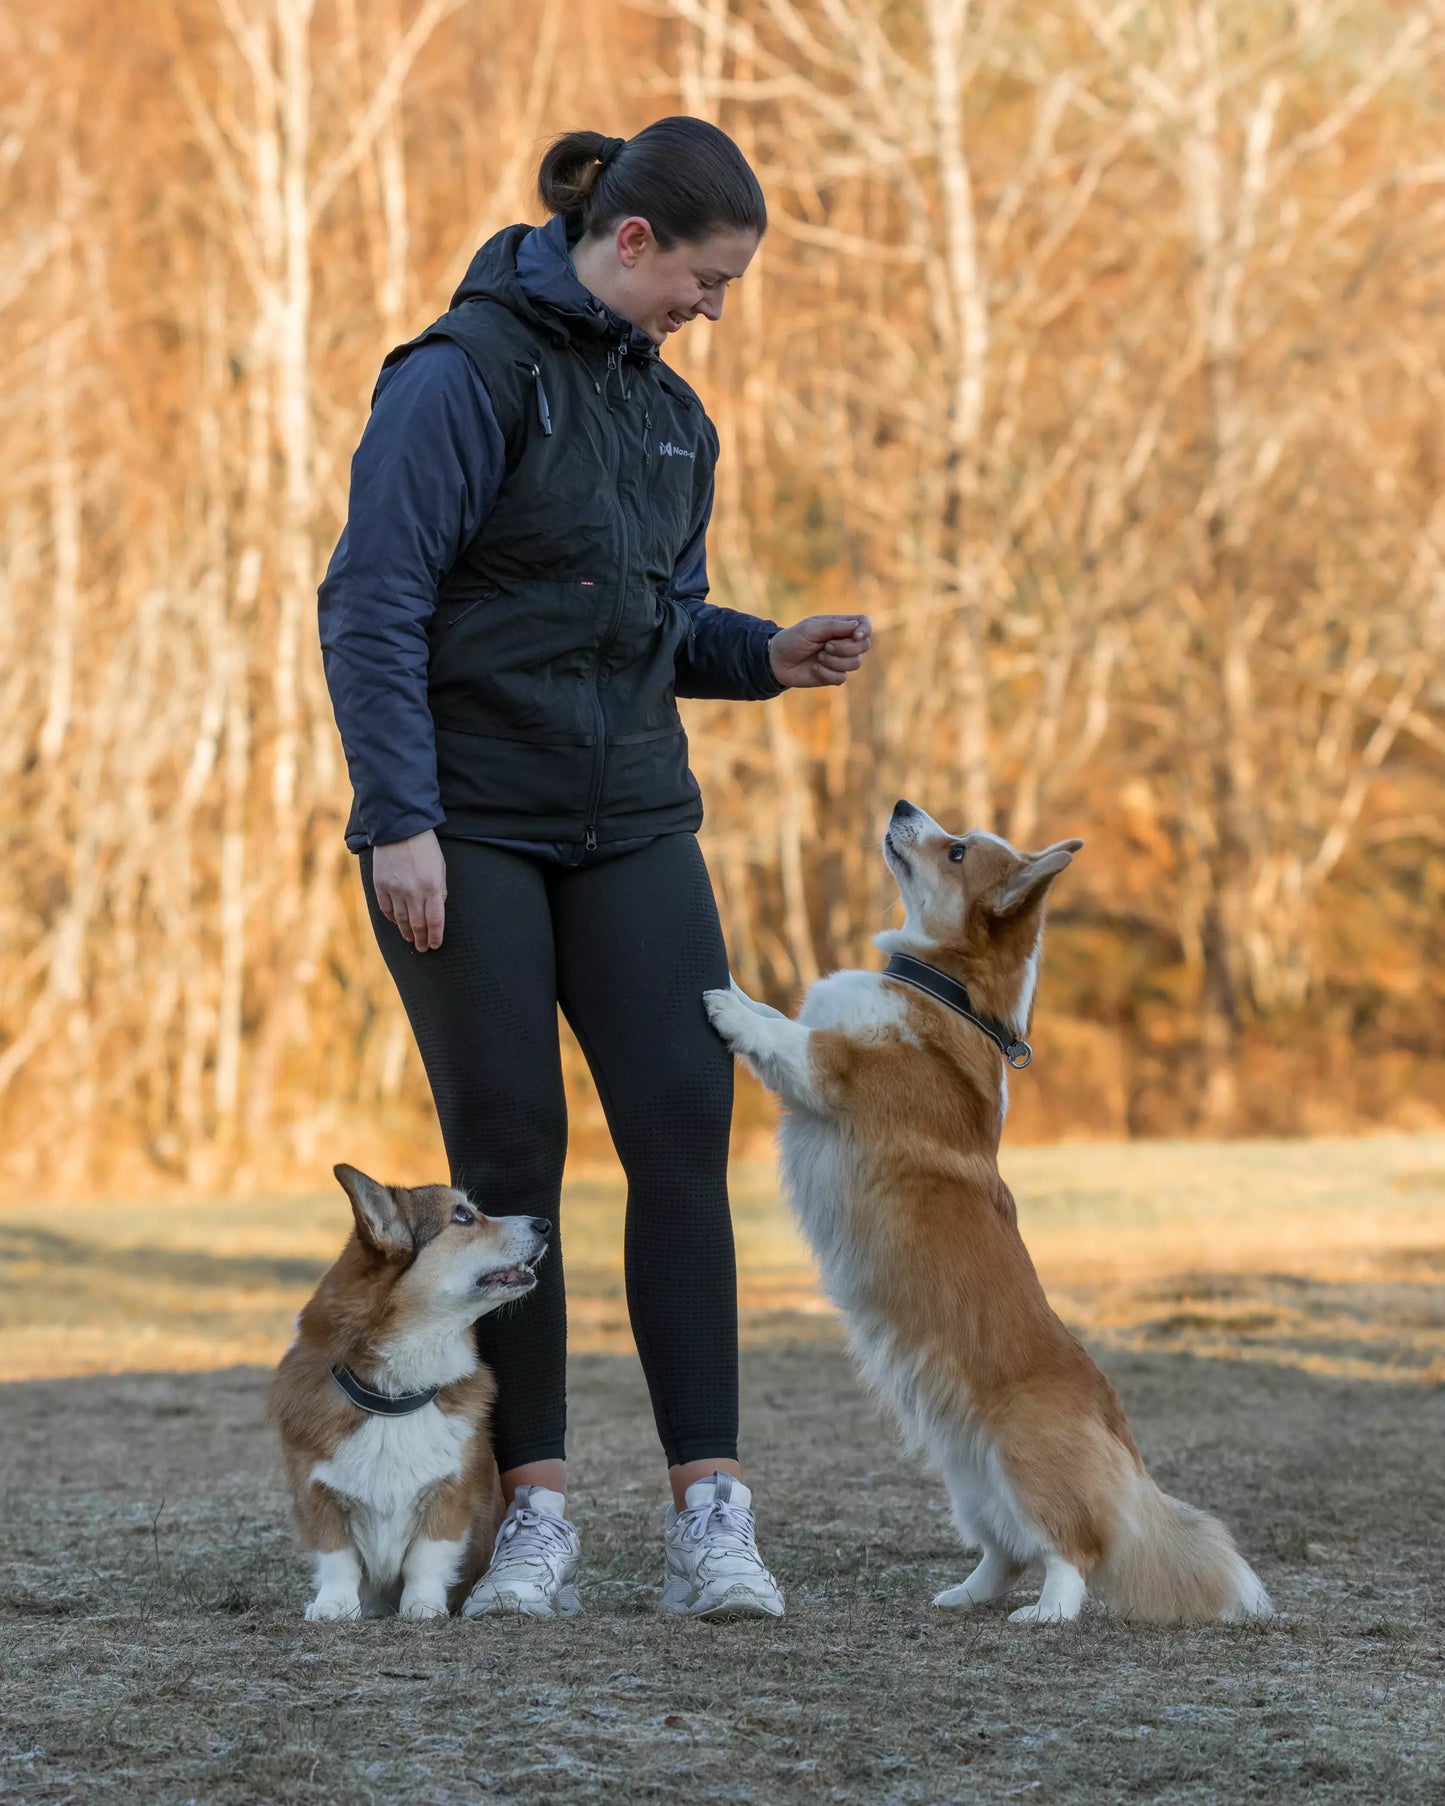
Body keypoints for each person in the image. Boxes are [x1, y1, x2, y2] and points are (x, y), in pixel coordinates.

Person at [318, 116, 872, 1621]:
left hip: (631, 820)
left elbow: (652, 624)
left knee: (682, 1137)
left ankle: (712, 1515)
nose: (713, 308)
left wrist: (762, 652)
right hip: (467, 826)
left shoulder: (674, 422)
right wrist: (399, 817)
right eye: (704, 277)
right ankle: (537, 1514)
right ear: (629, 242)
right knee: (511, 1170)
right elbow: (371, 602)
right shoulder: (455, 379)